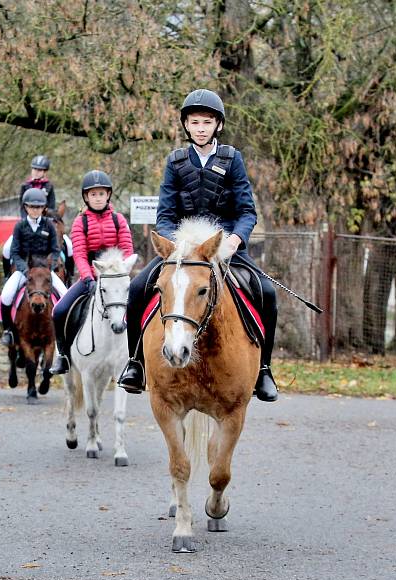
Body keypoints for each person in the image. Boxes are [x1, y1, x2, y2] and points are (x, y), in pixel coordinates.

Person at [117, 89, 279, 402]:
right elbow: (164, 215)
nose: (201, 127)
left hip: (225, 248)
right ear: (187, 125)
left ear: (218, 125)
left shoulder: (232, 159)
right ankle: (135, 363)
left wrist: (234, 240)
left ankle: (264, 370)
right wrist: (179, 244)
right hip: (183, 251)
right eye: (195, 122)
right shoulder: (176, 162)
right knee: (137, 289)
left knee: (267, 295)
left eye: (207, 122)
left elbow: (247, 211)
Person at [50, 170, 134, 374]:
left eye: (101, 194)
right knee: (59, 311)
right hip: (91, 277)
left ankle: (135, 361)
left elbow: (127, 250)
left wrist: (119, 276)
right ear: (86, 197)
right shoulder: (81, 222)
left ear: (108, 195)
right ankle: (63, 356)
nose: (98, 198)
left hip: (116, 279)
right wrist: (88, 279)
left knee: (139, 306)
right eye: (93, 194)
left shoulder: (119, 220)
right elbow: (79, 254)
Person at [0, 188, 68, 347]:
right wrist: (25, 270)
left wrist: (51, 265)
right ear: (25, 207)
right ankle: (8, 331)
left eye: (38, 207)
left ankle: (63, 333)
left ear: (44, 208)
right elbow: (15, 252)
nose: (35, 210)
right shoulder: (20, 227)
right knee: (6, 295)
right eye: (32, 207)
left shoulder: (49, 226)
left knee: (65, 296)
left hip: (45, 272)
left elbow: (55, 250)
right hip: (25, 270)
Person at [1, 155, 73, 277]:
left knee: (69, 245)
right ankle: (7, 274)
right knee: (6, 248)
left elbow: (50, 206)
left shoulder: (49, 186)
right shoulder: (25, 186)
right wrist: (27, 222)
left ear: (44, 172)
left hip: (45, 221)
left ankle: (69, 274)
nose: (36, 172)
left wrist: (45, 220)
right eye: (34, 169)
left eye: (39, 170)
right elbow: (22, 206)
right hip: (26, 222)